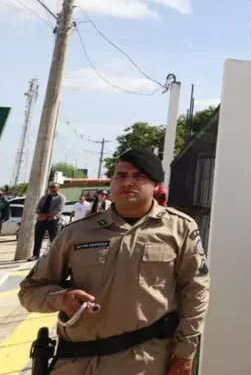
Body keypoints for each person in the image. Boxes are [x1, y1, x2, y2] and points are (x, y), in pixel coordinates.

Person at [19, 148, 210, 375]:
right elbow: (30, 291)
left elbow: (196, 290)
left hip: (142, 364)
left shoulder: (179, 228)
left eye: (139, 176)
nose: (127, 182)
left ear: (156, 185)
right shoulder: (76, 233)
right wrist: (62, 299)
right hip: (75, 363)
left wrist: (185, 352)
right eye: (121, 175)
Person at [31, 182, 66, 260]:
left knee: (53, 238)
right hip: (41, 220)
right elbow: (38, 207)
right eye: (50, 187)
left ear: (58, 188)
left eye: (54, 187)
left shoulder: (61, 197)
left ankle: (54, 255)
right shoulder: (44, 197)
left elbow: (58, 209)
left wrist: (46, 215)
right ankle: (35, 255)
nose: (52, 188)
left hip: (52, 220)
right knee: (38, 237)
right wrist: (40, 214)